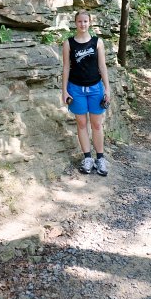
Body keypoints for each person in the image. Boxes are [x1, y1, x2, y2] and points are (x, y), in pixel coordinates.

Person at [62, 10, 111, 176]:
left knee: (96, 124)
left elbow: (102, 66)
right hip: (76, 89)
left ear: (90, 22)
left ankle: (101, 159)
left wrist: (107, 88)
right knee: (82, 124)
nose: (82, 24)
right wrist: (64, 91)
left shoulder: (97, 42)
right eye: (79, 21)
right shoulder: (68, 43)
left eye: (85, 21)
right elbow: (66, 68)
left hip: (95, 88)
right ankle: (87, 158)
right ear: (75, 23)